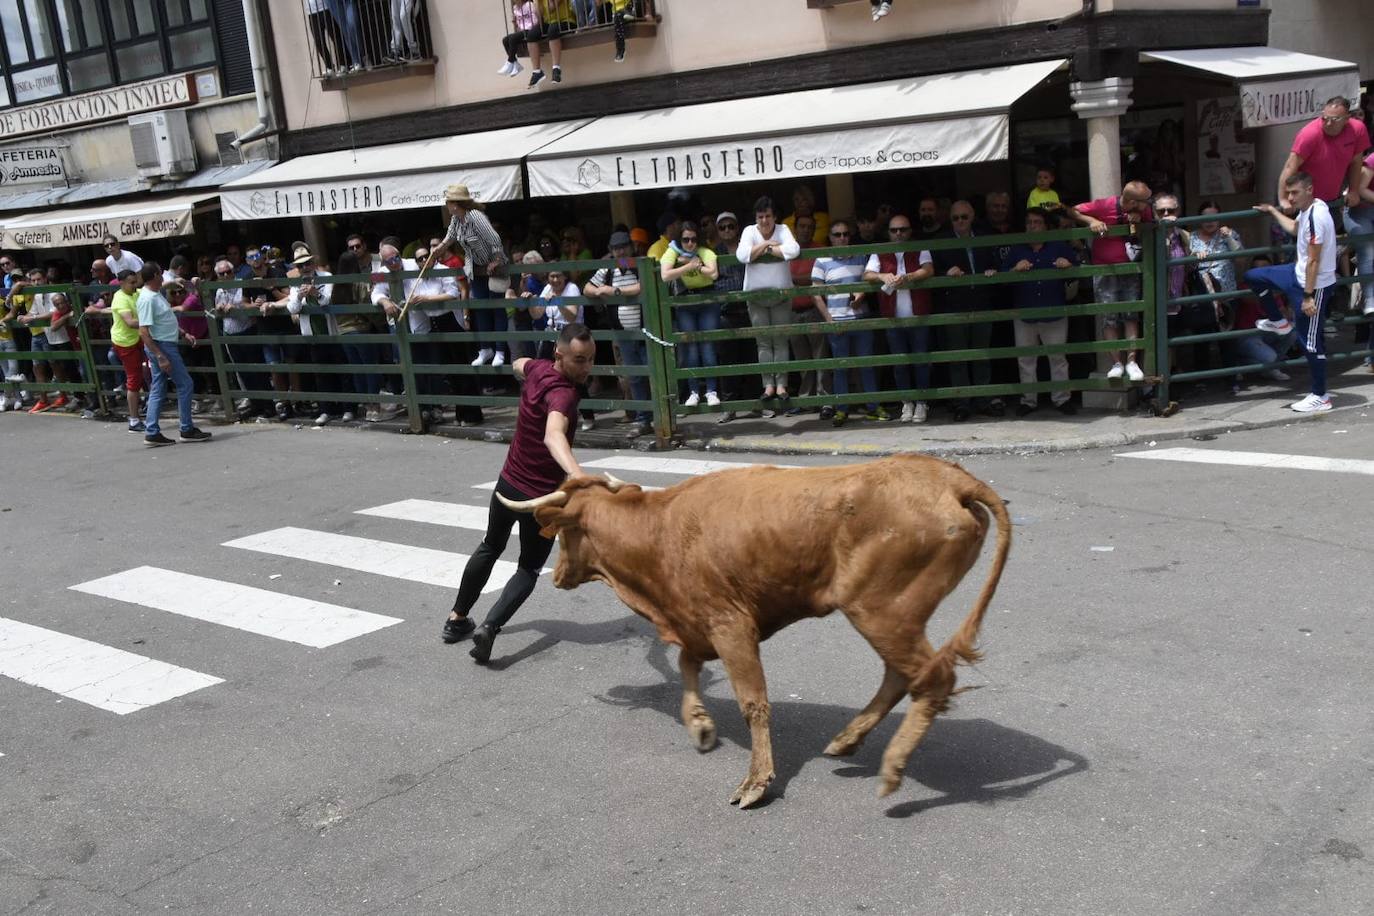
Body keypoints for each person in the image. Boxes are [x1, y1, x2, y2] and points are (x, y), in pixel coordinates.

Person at [441, 323, 596, 664]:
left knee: (490, 546)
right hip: (538, 502)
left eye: (589, 360)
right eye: (580, 360)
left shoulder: (537, 370)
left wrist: (522, 368)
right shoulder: (564, 395)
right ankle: (489, 627)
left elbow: (518, 363)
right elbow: (554, 435)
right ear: (560, 355)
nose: (586, 368)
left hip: (506, 484)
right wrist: (577, 474)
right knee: (528, 569)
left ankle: (457, 619)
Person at [1248, 172, 1338, 412]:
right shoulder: (1311, 207)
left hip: (1313, 284)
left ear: (1309, 189)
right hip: (1296, 273)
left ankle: (1321, 396)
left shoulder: (1316, 217)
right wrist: (1273, 211)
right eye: (1288, 193)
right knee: (1254, 277)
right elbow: (1295, 229)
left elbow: (1314, 261)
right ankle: (1278, 321)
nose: (1290, 197)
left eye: (1295, 192)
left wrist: (1308, 297)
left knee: (1309, 342)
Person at [1071, 180, 1154, 382]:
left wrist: (1139, 222)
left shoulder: (1144, 211)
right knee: (1109, 317)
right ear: (1133, 201)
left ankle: (1132, 362)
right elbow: (1072, 211)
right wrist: (1091, 221)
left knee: (1131, 315)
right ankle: (1116, 363)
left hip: (1130, 268)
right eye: (1145, 201)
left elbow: (1153, 225)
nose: (1148, 204)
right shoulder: (1105, 205)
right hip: (1104, 269)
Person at [1002, 207, 1079, 415]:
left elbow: (1078, 269)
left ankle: (1062, 399)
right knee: (1026, 360)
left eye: (1037, 222)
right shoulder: (1017, 249)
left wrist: (1068, 265)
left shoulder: (1058, 246)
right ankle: (1029, 401)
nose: (1032, 226)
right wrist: (1014, 270)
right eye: (1029, 223)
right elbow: (1002, 276)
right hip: (1024, 312)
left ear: (1046, 226)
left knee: (1058, 358)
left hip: (1053, 310)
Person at [864, 213, 934, 423]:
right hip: (893, 318)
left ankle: (922, 403)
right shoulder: (880, 251)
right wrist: (882, 276)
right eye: (894, 230)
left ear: (910, 231)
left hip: (918, 316)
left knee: (921, 361)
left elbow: (929, 269)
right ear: (889, 232)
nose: (898, 234)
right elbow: (867, 275)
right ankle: (907, 403)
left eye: (903, 229)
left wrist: (909, 277)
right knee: (900, 363)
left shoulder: (920, 247)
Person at [431, 184, 510, 368]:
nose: (447, 205)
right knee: (480, 308)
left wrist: (496, 260)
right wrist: (438, 250)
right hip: (475, 268)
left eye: (448, 202)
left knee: (497, 308)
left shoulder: (475, 216)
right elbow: (448, 239)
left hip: (493, 266)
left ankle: (499, 350)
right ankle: (485, 348)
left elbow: (494, 239)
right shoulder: (455, 220)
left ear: (455, 203)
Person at [812, 219, 880, 426]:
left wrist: (862, 295)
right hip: (837, 321)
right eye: (837, 234)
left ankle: (873, 407)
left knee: (866, 365)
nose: (842, 238)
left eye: (845, 234)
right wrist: (829, 319)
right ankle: (841, 410)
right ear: (830, 238)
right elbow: (816, 293)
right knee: (840, 368)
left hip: (860, 319)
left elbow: (869, 281)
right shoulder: (821, 259)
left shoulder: (860, 255)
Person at [736, 195, 801, 410]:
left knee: (781, 340)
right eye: (760, 216)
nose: (764, 221)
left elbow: (793, 250)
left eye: (768, 216)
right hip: (755, 297)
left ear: (775, 217)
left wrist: (767, 250)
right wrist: (766, 244)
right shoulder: (748, 231)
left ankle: (782, 385)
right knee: (763, 342)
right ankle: (768, 385)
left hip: (781, 294)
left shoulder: (783, 230)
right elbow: (742, 255)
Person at [136, 263, 211, 445]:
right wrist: (160, 355)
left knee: (158, 387)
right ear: (154, 275)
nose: (163, 277)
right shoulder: (148, 299)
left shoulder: (155, 294)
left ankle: (152, 431)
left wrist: (183, 333)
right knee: (185, 384)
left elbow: (165, 320)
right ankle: (186, 428)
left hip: (164, 344)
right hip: (163, 347)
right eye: (160, 274)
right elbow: (143, 331)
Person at [588, 231, 652, 435]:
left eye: (624, 246)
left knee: (652, 374)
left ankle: (660, 416)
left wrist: (615, 292)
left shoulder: (639, 265)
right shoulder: (607, 270)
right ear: (611, 251)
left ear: (631, 247)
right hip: (623, 333)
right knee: (634, 376)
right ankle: (644, 419)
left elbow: (644, 286)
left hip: (645, 331)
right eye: (616, 248)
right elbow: (587, 288)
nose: (621, 251)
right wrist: (599, 291)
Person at [1276, 97, 1370, 228]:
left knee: (1329, 237)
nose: (1328, 123)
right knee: (1302, 240)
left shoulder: (1357, 130)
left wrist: (1353, 190)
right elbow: (1290, 166)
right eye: (1325, 118)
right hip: (1304, 201)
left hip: (1331, 201)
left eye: (1334, 119)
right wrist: (1284, 199)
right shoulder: (1310, 134)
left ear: (1347, 119)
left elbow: (1356, 162)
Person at [659, 223, 721, 408]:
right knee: (690, 348)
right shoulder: (673, 250)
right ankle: (694, 392)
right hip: (685, 301)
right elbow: (665, 275)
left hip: (707, 299)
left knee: (708, 345)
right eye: (686, 239)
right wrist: (688, 266)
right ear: (680, 239)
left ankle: (711, 391)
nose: (690, 243)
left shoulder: (704, 251)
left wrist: (695, 265)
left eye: (693, 239)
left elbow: (714, 273)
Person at [498, 0, 536, 77]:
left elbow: (535, 20)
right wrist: (515, 23)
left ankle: (510, 62)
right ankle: (515, 64)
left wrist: (527, 25)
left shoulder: (529, 5)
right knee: (505, 40)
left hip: (530, 29)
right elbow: (519, 25)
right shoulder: (515, 8)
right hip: (522, 31)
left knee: (512, 38)